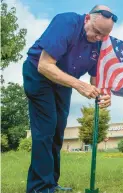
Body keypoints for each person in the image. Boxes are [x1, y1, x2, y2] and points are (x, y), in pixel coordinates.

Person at [22, 5, 117, 193]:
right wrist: (80, 85)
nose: (98, 39)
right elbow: (44, 65)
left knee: (58, 132)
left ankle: (51, 183)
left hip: (63, 81)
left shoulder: (99, 42)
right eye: (96, 32)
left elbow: (95, 79)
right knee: (46, 129)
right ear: (88, 18)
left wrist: (104, 95)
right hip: (39, 75)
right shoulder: (66, 22)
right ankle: (39, 188)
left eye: (103, 36)